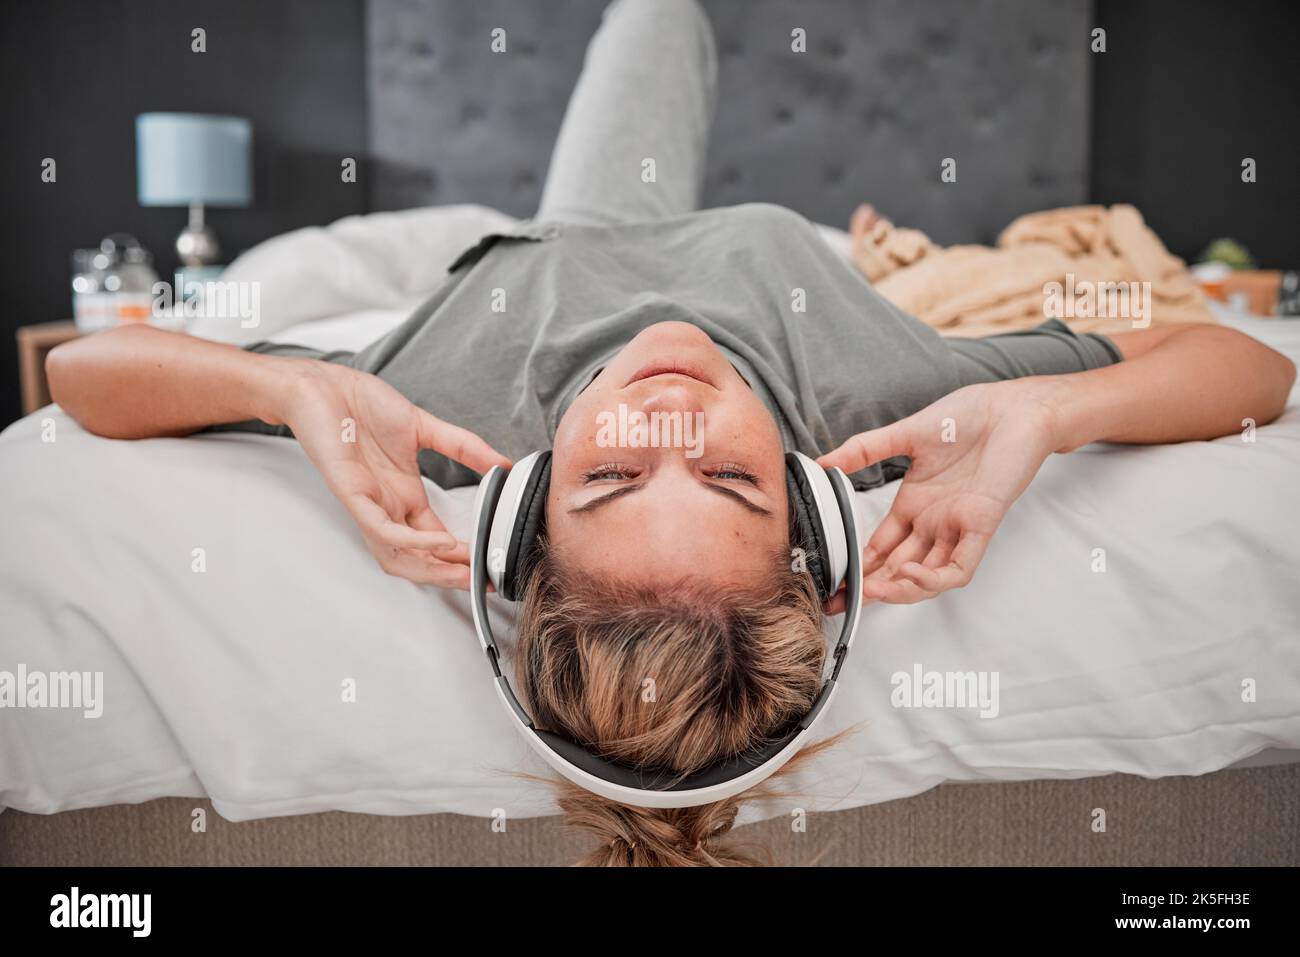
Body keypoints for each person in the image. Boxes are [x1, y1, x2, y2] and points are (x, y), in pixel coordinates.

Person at [48, 0, 1294, 865]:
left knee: (631, 44)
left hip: (544, 247)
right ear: (811, 503)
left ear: (526, 496)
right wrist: (1044, 405)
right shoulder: (879, 388)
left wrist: (290, 391)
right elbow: (1250, 368)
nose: (670, 407)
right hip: (789, 263)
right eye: (731, 476)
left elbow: (85, 374)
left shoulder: (440, 400)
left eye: (609, 474)